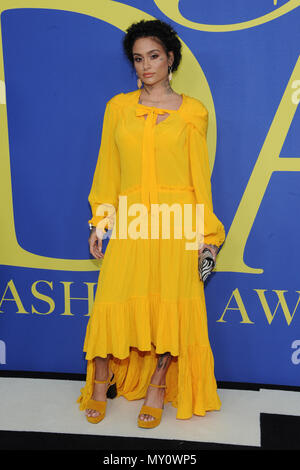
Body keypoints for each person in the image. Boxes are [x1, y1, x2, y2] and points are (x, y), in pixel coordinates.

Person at [77, 19, 226, 429]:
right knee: (112, 300)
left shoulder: (194, 111)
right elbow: (107, 168)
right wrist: (101, 220)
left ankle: (159, 384)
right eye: (138, 58)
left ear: (171, 58)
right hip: (132, 221)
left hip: (178, 223)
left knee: (170, 308)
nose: (146, 66)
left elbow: (201, 180)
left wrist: (207, 238)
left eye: (154, 56)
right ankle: (102, 377)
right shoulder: (118, 108)